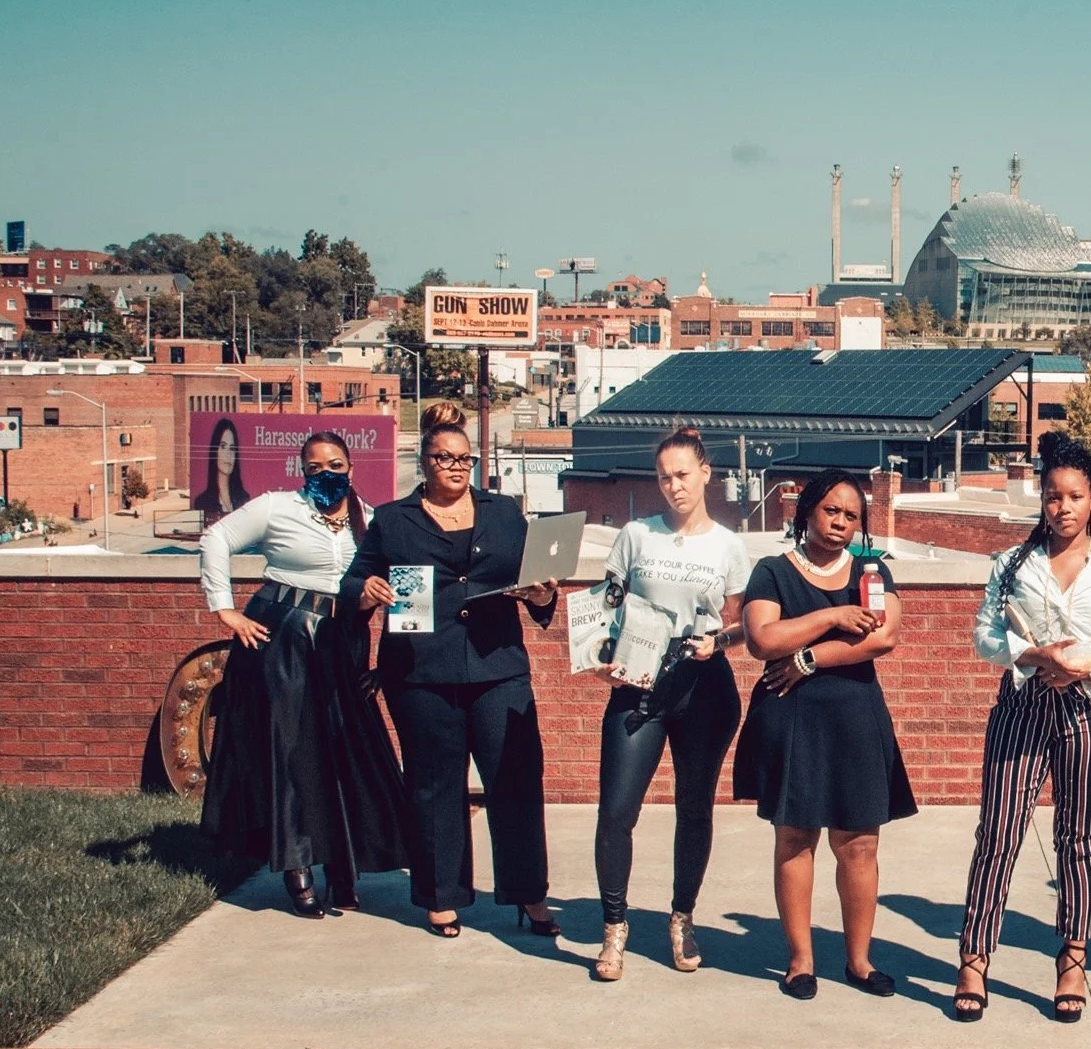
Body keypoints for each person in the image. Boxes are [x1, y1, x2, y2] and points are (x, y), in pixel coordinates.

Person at [339, 402, 562, 940]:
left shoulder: (506, 511)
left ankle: (528, 892)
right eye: (444, 458)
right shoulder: (393, 520)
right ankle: (440, 895)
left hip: (498, 668)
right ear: (424, 462)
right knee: (435, 785)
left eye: (464, 459)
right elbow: (352, 582)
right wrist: (366, 592)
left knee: (515, 781)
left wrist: (543, 593)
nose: (456, 467)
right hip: (420, 673)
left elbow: (539, 579)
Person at [959, 432, 1091, 1024]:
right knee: (999, 833)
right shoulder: (1012, 565)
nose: (1062, 507)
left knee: (1079, 838)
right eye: (1051, 496)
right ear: (1040, 500)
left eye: (1073, 496)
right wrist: (1037, 657)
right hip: (1022, 709)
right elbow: (984, 636)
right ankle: (973, 958)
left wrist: (1090, 666)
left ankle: (1072, 957)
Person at [199, 431, 412, 916]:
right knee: (292, 751)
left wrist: (388, 660)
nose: (325, 474)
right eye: (314, 467)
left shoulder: (373, 520)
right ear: (301, 470)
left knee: (343, 751)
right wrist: (225, 609)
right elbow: (217, 537)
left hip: (344, 639)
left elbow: (404, 587)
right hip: (284, 635)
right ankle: (297, 864)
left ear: (352, 467)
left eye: (335, 465)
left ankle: (342, 864)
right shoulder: (277, 507)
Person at [734, 469, 916, 1000]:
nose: (839, 522)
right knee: (795, 836)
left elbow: (884, 638)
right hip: (790, 718)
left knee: (858, 843)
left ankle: (859, 961)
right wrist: (835, 614)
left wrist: (810, 657)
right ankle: (800, 961)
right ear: (807, 510)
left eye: (851, 515)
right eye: (831, 510)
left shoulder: (872, 570)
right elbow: (764, 640)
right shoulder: (771, 571)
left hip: (854, 719)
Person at [589, 428, 752, 982]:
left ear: (707, 473)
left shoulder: (729, 546)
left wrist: (719, 642)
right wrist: (599, 656)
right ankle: (614, 929)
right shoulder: (636, 535)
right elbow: (603, 608)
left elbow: (743, 627)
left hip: (703, 688)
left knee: (695, 809)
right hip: (638, 684)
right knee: (616, 811)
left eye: (683, 474)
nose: (673, 485)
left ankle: (682, 917)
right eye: (664, 476)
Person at [193, 417, 251, 522]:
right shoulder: (202, 502)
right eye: (223, 446)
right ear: (215, 451)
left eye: (232, 448)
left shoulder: (244, 498)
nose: (228, 454)